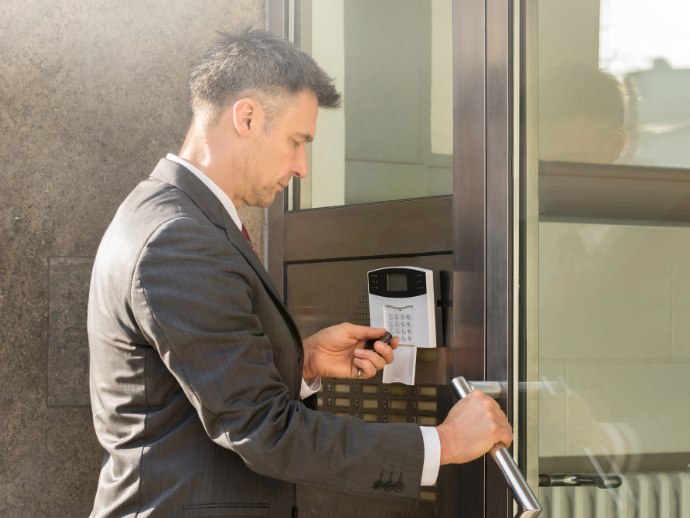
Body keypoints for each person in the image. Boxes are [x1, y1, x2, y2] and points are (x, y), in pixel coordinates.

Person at [87, 29, 513, 517]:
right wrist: (444, 443)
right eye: (296, 141)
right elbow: (263, 429)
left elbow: (199, 385)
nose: (303, 166)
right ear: (246, 117)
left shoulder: (173, 216)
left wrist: (301, 362)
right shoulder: (179, 239)